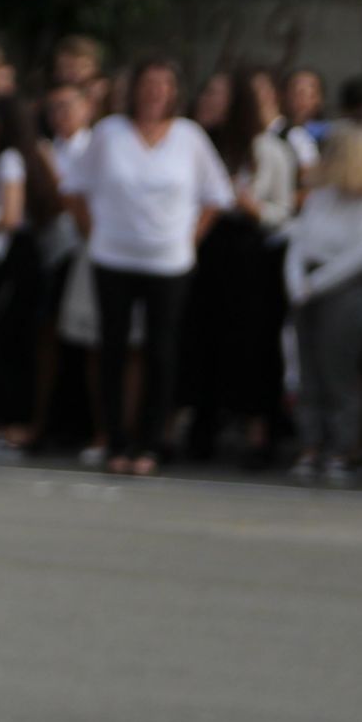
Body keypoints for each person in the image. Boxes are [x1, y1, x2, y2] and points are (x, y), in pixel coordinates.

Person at [59, 58, 232, 476]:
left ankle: (151, 442)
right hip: (113, 257)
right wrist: (94, 233)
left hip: (168, 261)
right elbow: (75, 189)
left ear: (174, 91)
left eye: (163, 84)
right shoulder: (108, 133)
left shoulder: (189, 136)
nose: (154, 92)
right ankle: (115, 439)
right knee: (112, 348)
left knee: (162, 351)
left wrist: (190, 238)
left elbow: (217, 195)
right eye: (148, 83)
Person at [182, 70, 293, 466]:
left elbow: (284, 212)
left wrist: (253, 207)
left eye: (219, 93)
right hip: (205, 248)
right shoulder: (197, 142)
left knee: (252, 344)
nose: (209, 99)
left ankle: (258, 432)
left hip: (249, 254)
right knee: (200, 340)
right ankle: (201, 425)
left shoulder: (270, 149)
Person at [282, 125, 362, 483]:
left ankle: (341, 448)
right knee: (307, 368)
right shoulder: (321, 194)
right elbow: (300, 238)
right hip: (307, 287)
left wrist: (315, 284)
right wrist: (296, 280)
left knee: (338, 370)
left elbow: (360, 255)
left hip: (343, 290)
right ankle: (310, 443)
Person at [0, 94, 63, 461]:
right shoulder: (32, 155)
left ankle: (11, 428)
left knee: (5, 344)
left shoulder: (9, 159)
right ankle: (14, 424)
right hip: (25, 258)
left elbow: (11, 215)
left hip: (13, 258)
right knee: (13, 342)